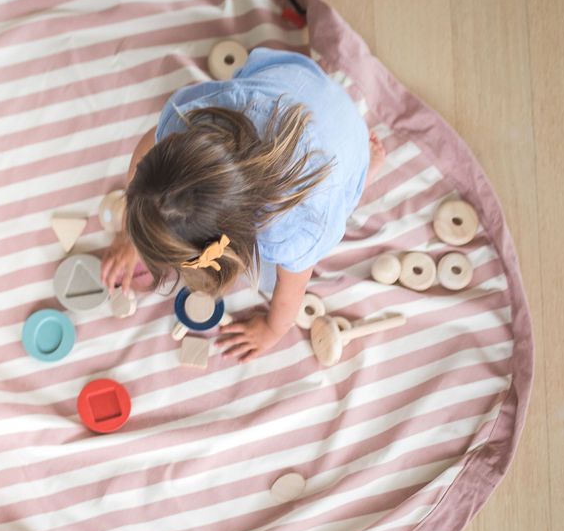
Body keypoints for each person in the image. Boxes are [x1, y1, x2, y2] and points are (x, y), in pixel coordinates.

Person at [100, 47, 385, 362]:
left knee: (272, 270)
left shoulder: (295, 226)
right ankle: (352, 159)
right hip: (297, 84)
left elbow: (290, 295)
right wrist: (132, 235)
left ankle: (360, 173)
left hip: (337, 145)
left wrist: (271, 330)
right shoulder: (187, 118)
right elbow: (145, 150)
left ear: (223, 250)